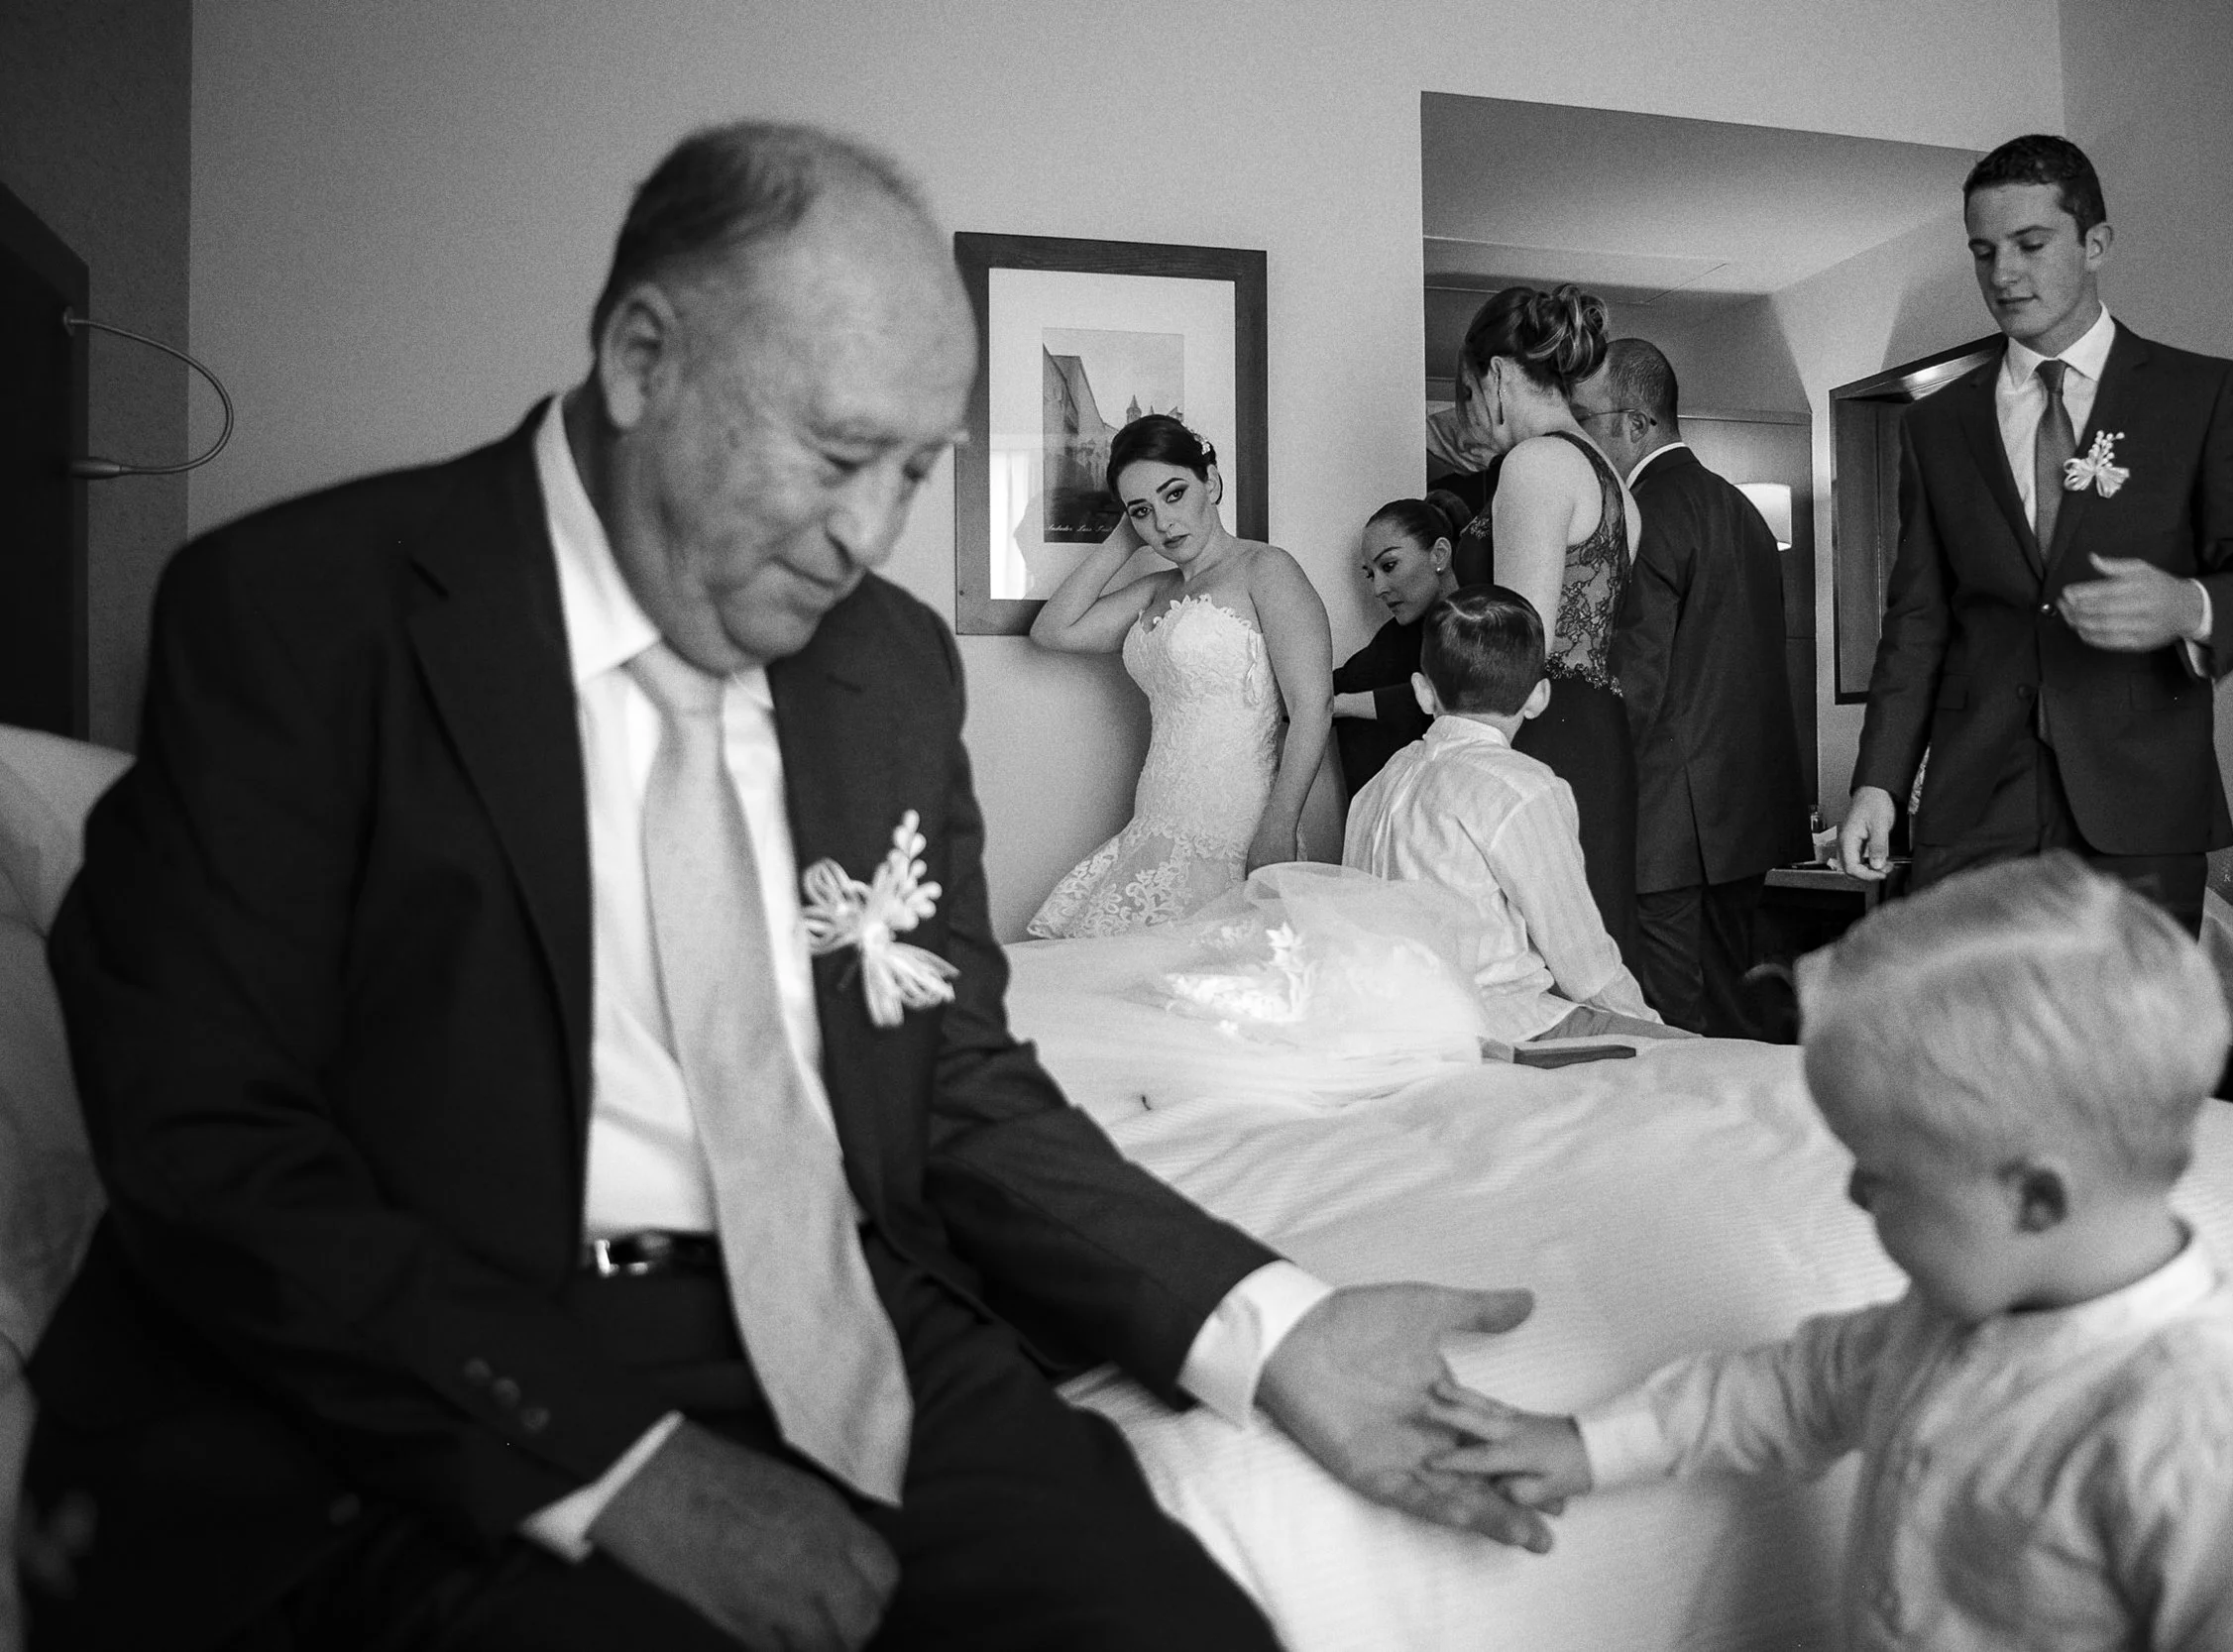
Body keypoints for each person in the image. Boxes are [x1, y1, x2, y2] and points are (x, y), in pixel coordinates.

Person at [25, 124, 1551, 1652]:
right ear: (644, 360)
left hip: (844, 1312)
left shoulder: (882, 661)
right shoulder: (298, 614)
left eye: (913, 471)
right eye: (835, 455)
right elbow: (209, 1134)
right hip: (435, 1381)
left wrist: (1273, 1329)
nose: (867, 535)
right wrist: (618, 1466)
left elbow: (955, 1079)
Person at [1427, 853, 2233, 1648]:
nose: (1854, 1194)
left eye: (1883, 1176)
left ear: (2035, 1197)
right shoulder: (1948, 1320)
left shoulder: (2208, 1448)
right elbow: (1789, 1387)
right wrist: (1587, 1444)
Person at [1836, 135, 2233, 935]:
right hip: (1974, 805)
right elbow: (1918, 620)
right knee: (1969, 1017)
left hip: (2143, 803)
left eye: (2030, 244)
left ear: (2096, 244)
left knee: (2131, 1021)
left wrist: (2189, 607)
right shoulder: (1937, 425)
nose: (2003, 274)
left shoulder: (2199, 394)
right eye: (1983, 251)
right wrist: (1878, 781)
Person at [1570, 339, 1808, 1038]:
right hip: (1746, 812)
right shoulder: (1742, 510)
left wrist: (1584, 788)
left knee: (1673, 1023)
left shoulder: (1642, 514)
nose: (1579, 440)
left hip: (1666, 819)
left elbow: (1636, 681)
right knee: (1734, 1012)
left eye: (1586, 420)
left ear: (1636, 423)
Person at [1026, 414, 1332, 938]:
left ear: (1210, 482)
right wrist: (1123, 541)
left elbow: (1312, 708)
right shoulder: (1155, 589)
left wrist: (1278, 827)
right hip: (1155, 820)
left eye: (1174, 494)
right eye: (1143, 511)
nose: (1163, 524)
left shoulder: (1267, 568)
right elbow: (1053, 631)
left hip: (1235, 826)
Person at [1345, 586, 1669, 1046]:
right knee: (1693, 1054)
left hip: (1391, 1026)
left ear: (1423, 692)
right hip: (1498, 1027)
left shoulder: (1377, 785)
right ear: (1538, 697)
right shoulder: (1522, 789)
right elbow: (1581, 960)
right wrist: (1651, 1026)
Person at [1448, 284, 1643, 967]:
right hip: (1595, 728)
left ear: (1499, 375)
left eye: (1470, 393)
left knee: (1531, 955)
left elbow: (1517, 645)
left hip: (1538, 729)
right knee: (1583, 942)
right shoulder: (1609, 475)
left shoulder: (1535, 464)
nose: (1472, 418)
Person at [1331, 497, 1458, 799]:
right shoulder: (1397, 635)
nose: (1378, 589)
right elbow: (1339, 683)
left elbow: (1454, 698)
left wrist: (1340, 705)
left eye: (1389, 565)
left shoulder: (1479, 624)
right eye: (1371, 574)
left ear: (1439, 554)